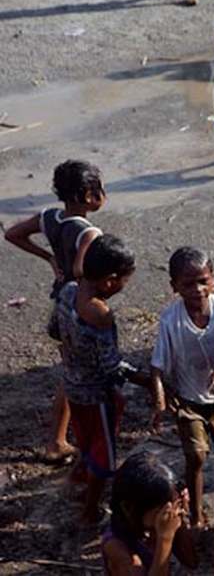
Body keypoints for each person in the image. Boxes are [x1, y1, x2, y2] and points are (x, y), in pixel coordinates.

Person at [4, 159, 104, 463]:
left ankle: (61, 436)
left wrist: (48, 257)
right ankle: (58, 440)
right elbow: (79, 268)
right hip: (79, 308)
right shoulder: (89, 233)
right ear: (87, 195)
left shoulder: (49, 217)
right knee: (75, 374)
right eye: (100, 190)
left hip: (59, 300)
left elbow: (13, 234)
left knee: (69, 367)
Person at [150, 246, 214, 528]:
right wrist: (159, 403)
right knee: (195, 456)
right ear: (175, 287)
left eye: (202, 281)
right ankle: (195, 514)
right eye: (188, 284)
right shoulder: (171, 319)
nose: (197, 289)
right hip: (189, 399)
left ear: (213, 280)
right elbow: (157, 366)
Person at [57, 235, 149, 524]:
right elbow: (111, 366)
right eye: (125, 280)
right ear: (110, 280)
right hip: (98, 395)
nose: (124, 286)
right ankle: (89, 512)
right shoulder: (101, 314)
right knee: (104, 456)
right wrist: (148, 380)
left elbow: (53, 330)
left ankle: (77, 475)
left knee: (86, 439)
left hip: (73, 385)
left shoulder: (68, 291)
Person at [102, 453, 198, 575]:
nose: (168, 515)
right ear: (129, 509)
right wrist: (165, 539)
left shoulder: (158, 525)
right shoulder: (117, 548)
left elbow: (191, 562)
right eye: (161, 511)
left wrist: (180, 516)